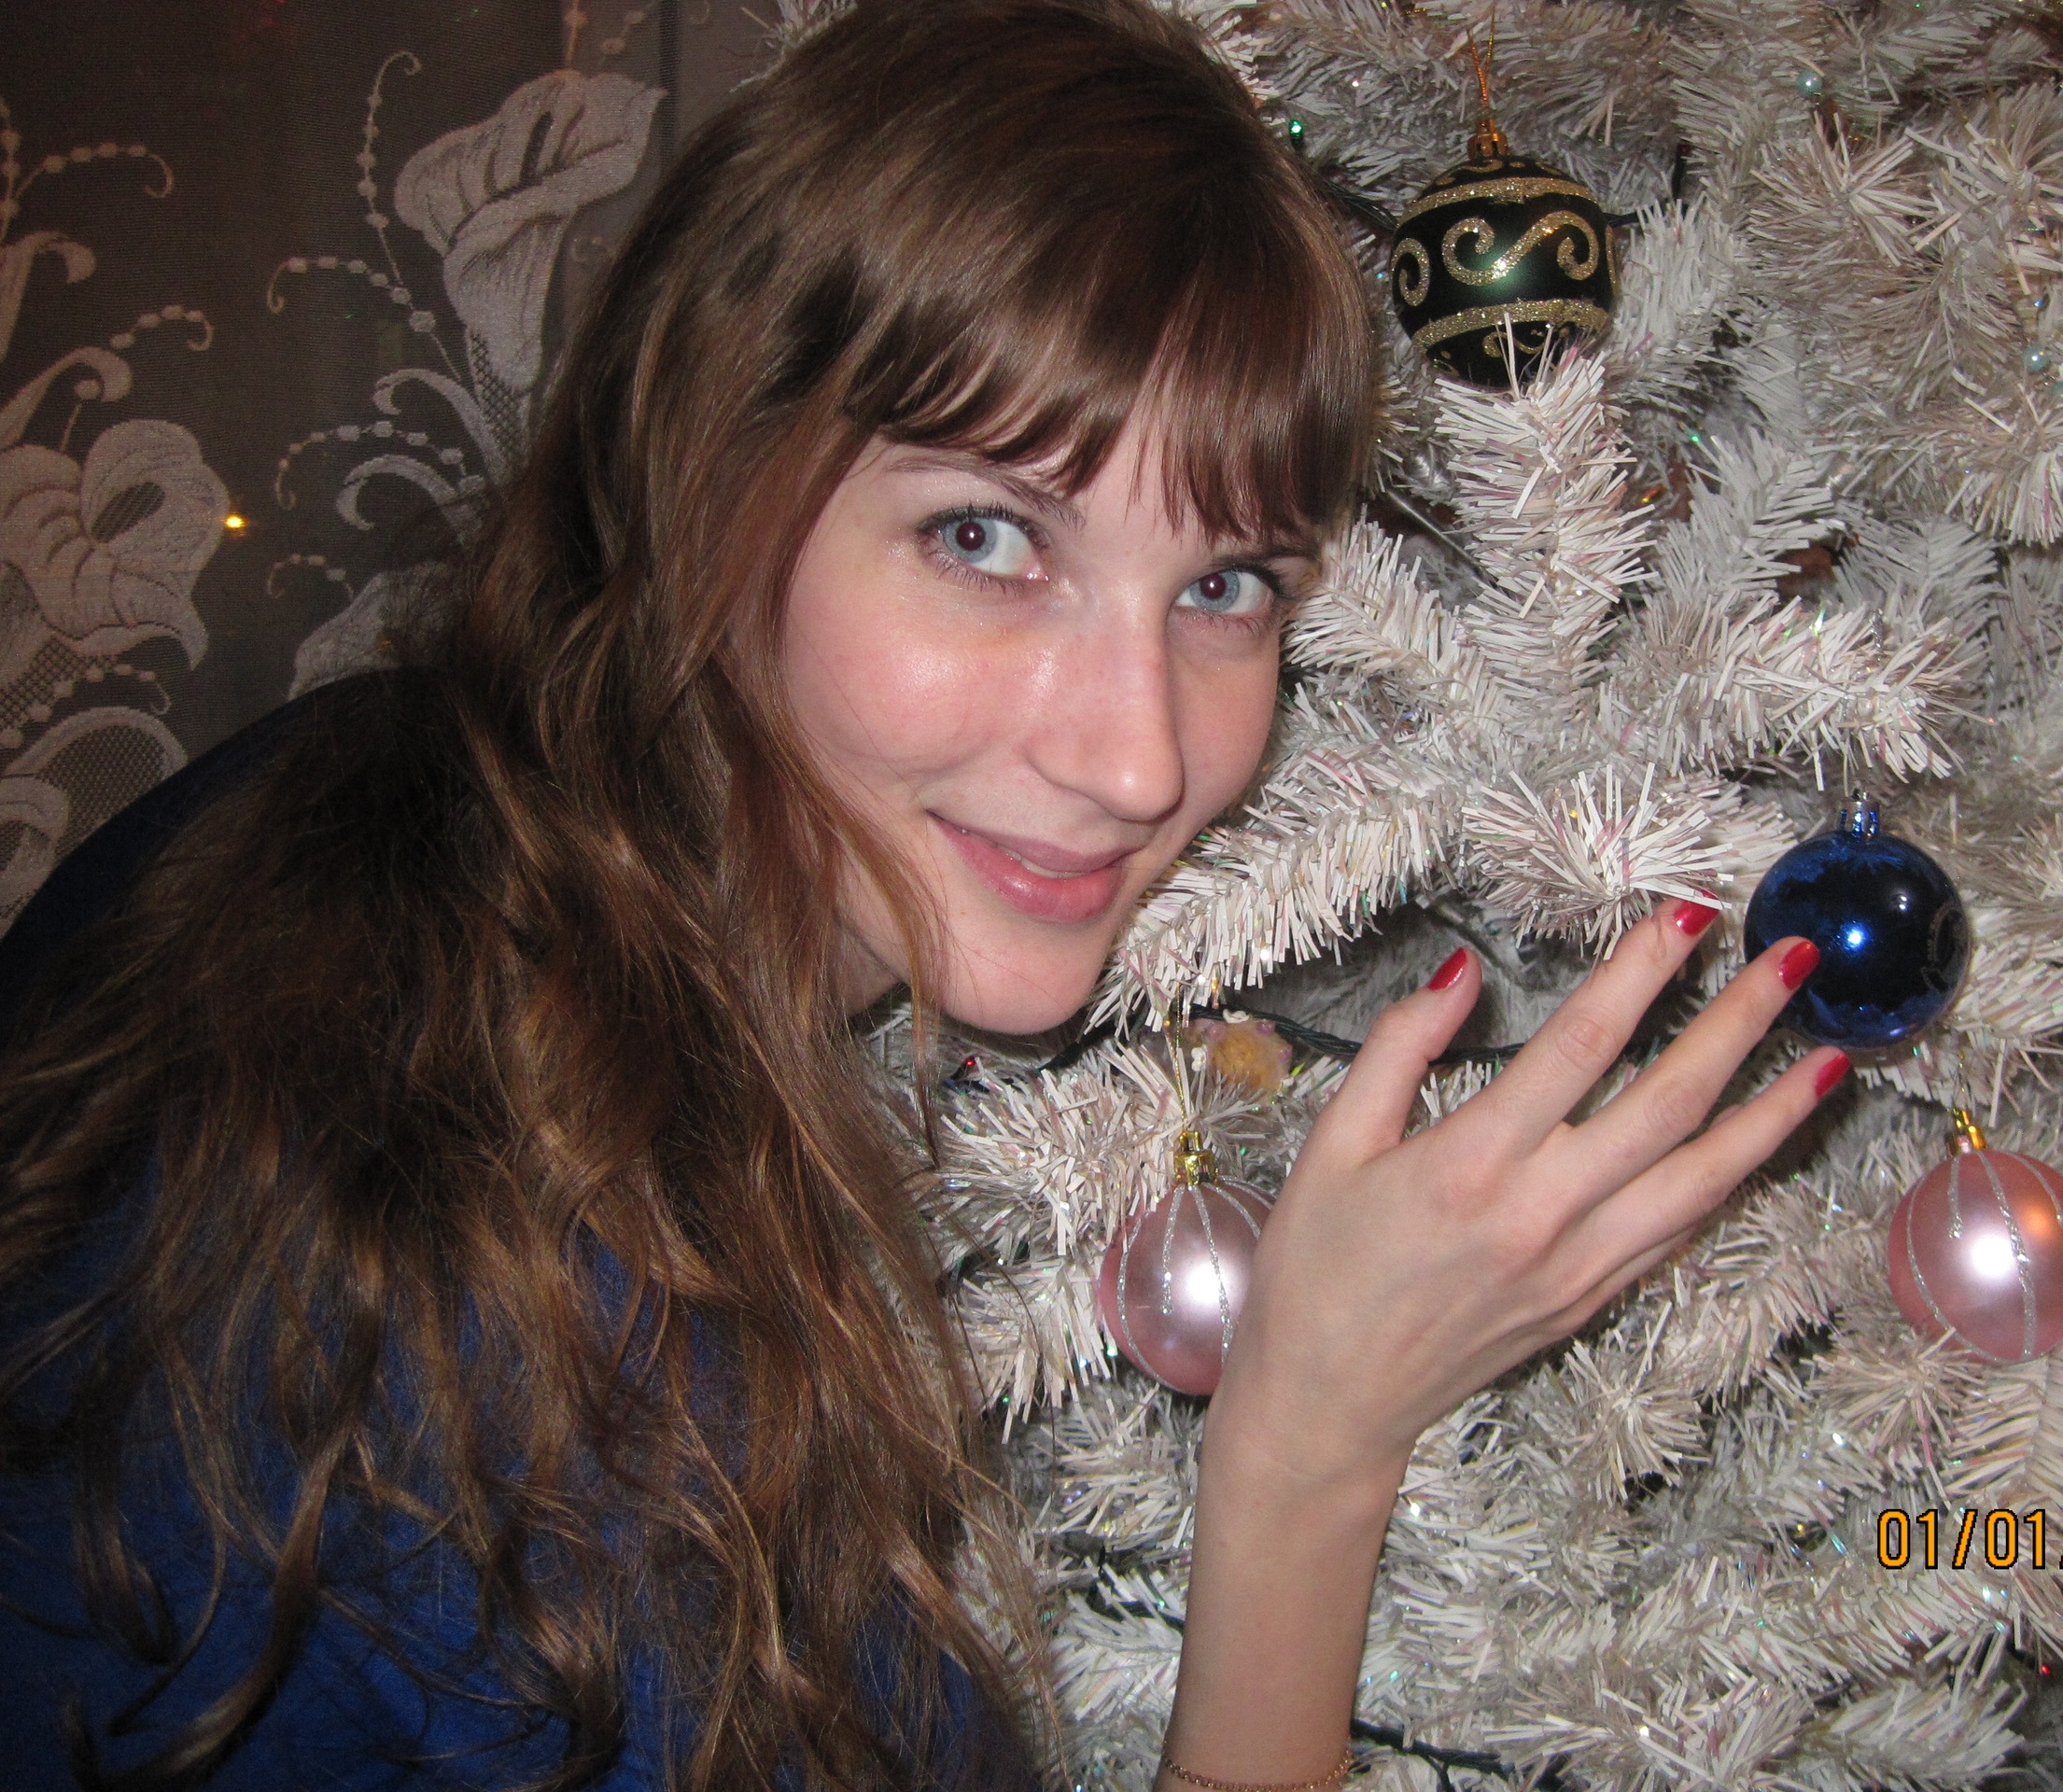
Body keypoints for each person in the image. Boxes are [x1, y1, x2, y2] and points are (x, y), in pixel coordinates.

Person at [0, 0, 1847, 1786]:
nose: (1139, 761)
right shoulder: (539, 1330)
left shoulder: (339, 802)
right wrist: (1313, 1445)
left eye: (1225, 587)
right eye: (984, 537)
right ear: (703, 471)